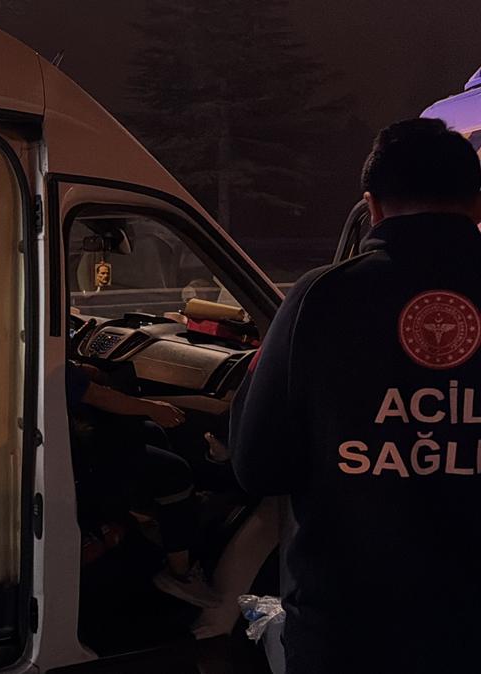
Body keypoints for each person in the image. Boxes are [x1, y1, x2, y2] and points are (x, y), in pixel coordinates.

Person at [230, 118, 481, 674]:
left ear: (373, 208)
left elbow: (257, 464)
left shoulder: (319, 299)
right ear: (477, 204)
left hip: (351, 634)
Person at [67, 361, 220, 608]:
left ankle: (161, 523)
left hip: (73, 432)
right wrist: (151, 408)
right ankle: (180, 575)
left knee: (151, 432)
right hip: (73, 453)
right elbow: (95, 395)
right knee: (175, 472)